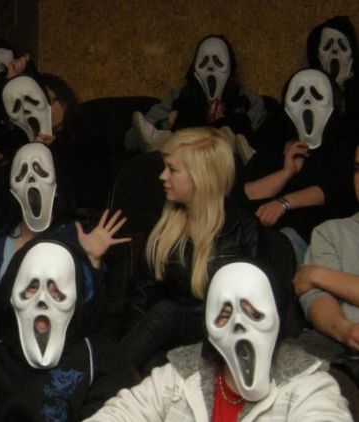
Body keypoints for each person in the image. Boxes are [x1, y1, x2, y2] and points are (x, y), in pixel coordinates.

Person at [87, 261, 351, 421]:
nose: (239, 324)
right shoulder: (178, 377)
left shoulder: (309, 388)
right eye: (224, 314)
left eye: (254, 313)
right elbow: (121, 413)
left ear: (277, 318)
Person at [0, 143, 128, 339]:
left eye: (41, 171)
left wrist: (92, 261)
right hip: (5, 336)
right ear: (12, 190)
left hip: (57, 339)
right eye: (21, 175)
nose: (31, 180)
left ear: (56, 184)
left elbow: (86, 311)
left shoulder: (75, 238)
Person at [0, 238, 135, 421]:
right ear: (13, 295)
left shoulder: (98, 358)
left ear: (75, 300)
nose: (42, 300)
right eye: (32, 288)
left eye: (57, 292)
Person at [119, 127, 261, 373]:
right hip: (168, 342)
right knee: (151, 367)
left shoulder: (242, 228)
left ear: (201, 176)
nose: (162, 176)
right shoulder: (165, 226)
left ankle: (104, 375)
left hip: (221, 339)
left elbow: (257, 306)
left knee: (167, 312)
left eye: (172, 170)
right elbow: (140, 300)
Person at [242, 68, 356, 263]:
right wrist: (286, 172)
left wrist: (284, 203)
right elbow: (246, 192)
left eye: (317, 95)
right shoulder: (275, 144)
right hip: (264, 238)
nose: (307, 102)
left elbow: (338, 189)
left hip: (315, 242)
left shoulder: (345, 144)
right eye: (298, 95)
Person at [127, 35, 267, 155]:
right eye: (204, 62)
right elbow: (131, 141)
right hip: (184, 159)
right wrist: (165, 124)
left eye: (218, 62)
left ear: (230, 67)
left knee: (239, 122)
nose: (210, 67)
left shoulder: (247, 99)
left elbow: (263, 141)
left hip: (224, 162)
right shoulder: (179, 98)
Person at [294, 144, 359, 359]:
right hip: (342, 351)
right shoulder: (330, 232)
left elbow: (310, 282)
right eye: (358, 169)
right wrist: (345, 331)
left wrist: (316, 275)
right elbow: (316, 298)